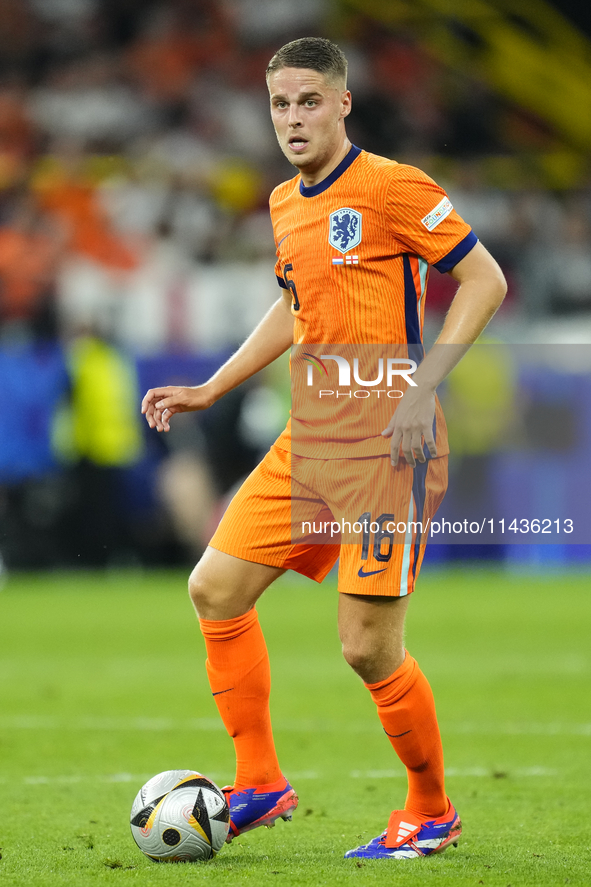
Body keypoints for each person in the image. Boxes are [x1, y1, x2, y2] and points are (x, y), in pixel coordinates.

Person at [141, 37, 507, 860]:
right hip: (312, 434)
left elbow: (484, 279)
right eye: (280, 104)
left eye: (309, 101)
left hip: (389, 441)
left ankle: (432, 809)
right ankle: (259, 780)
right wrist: (212, 385)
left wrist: (421, 388)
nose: (294, 118)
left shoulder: (390, 186)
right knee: (215, 587)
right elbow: (292, 301)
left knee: (365, 646)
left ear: (343, 103)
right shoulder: (281, 202)